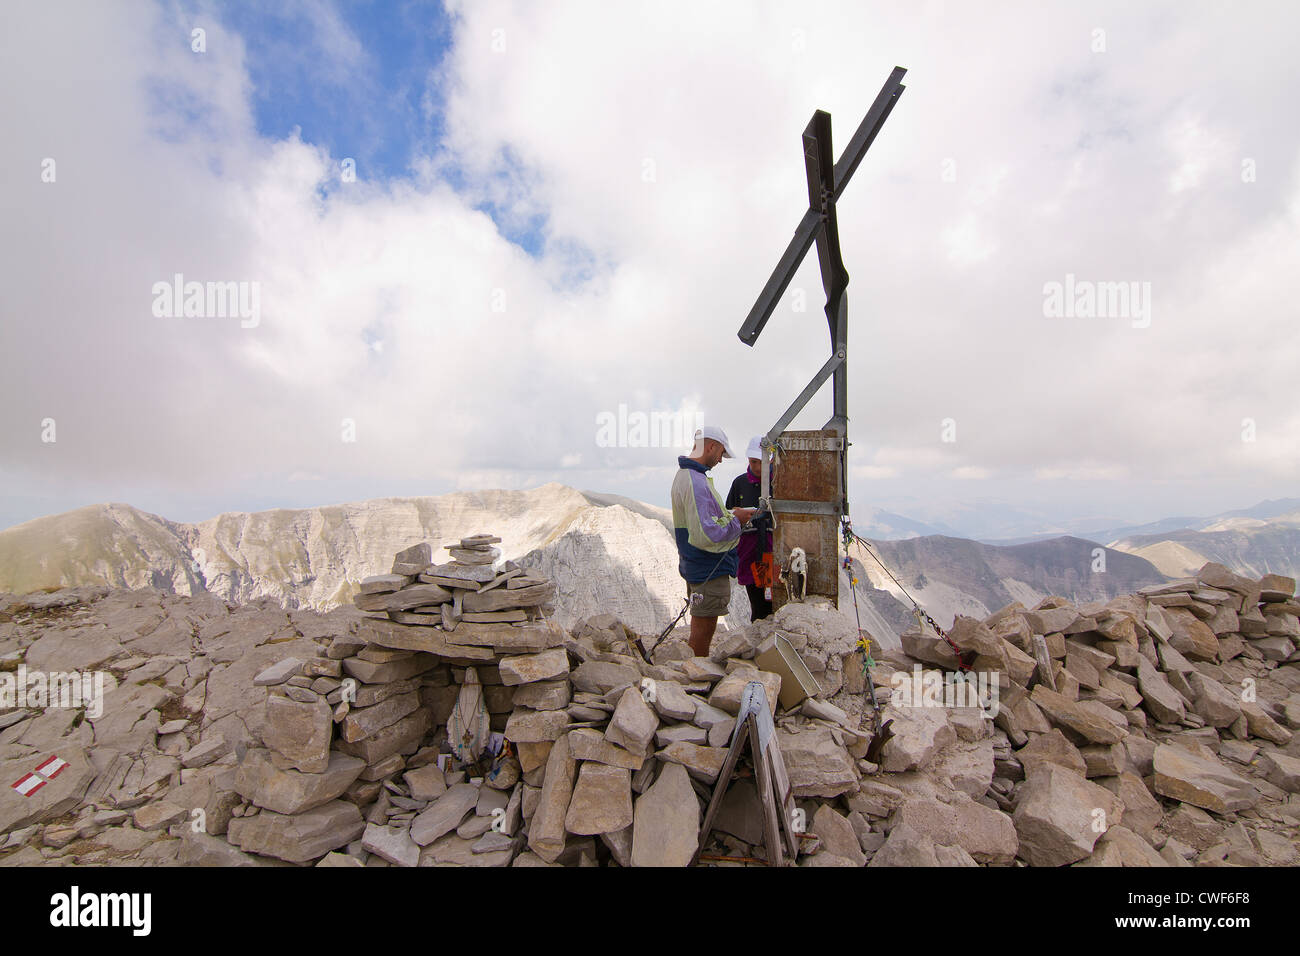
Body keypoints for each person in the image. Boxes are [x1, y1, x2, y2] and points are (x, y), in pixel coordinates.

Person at [671, 425, 755, 656]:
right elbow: (706, 533)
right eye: (721, 453)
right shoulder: (695, 481)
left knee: (704, 622)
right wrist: (736, 521)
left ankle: (695, 668)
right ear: (711, 446)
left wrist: (730, 515)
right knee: (705, 625)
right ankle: (696, 673)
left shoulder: (689, 476)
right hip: (707, 565)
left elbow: (705, 520)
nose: (720, 459)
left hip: (698, 564)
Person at [726, 436, 775, 621]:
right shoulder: (740, 483)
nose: (755, 466)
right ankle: (759, 641)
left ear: (769, 459)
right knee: (757, 602)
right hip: (749, 553)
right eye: (752, 461)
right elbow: (728, 513)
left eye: (759, 462)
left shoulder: (778, 482)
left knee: (768, 603)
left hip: (769, 552)